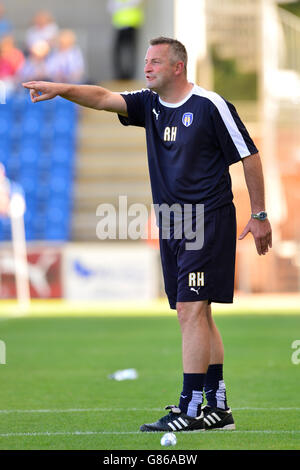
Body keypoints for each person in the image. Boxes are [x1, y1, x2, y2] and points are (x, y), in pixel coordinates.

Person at [23, 36, 272, 432]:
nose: (147, 67)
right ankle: (218, 407)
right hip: (172, 222)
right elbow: (104, 98)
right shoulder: (150, 104)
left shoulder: (210, 105)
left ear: (178, 66)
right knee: (195, 313)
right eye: (146, 61)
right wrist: (62, 89)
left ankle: (190, 408)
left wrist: (259, 213)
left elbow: (249, 154)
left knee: (192, 310)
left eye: (155, 61)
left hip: (206, 219)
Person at [107, 0, 144, 79]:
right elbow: (110, 7)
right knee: (118, 52)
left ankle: (130, 75)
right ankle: (120, 76)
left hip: (132, 25)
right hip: (119, 26)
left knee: (131, 52)